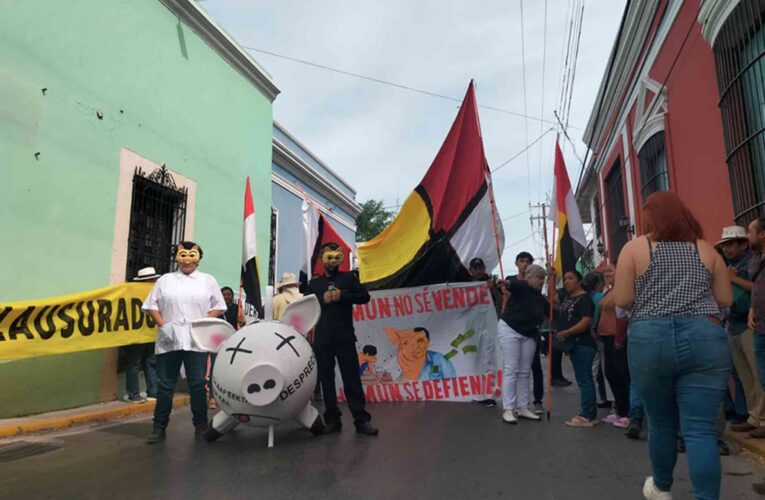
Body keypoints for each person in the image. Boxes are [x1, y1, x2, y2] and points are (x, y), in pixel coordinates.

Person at [614, 192, 732, 500]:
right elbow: (725, 300)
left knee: (661, 422)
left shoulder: (635, 249)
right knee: (700, 429)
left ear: (650, 217)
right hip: (704, 337)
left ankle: (662, 488)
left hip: (650, 339)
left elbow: (624, 300)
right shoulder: (705, 250)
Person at [142, 241, 227, 444]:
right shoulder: (165, 280)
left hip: (196, 341)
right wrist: (163, 325)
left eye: (192, 256)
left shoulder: (208, 281)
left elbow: (220, 305)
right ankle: (159, 427)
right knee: (165, 386)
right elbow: (151, 305)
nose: (187, 261)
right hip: (169, 341)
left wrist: (204, 321)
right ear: (178, 257)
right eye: (183, 256)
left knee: (197, 384)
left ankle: (200, 426)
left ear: (198, 259)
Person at [306, 242, 378, 436]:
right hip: (323, 338)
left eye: (336, 256)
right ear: (321, 258)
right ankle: (332, 420)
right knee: (327, 379)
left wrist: (343, 297)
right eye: (328, 257)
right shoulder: (314, 284)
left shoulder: (349, 278)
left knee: (351, 377)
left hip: (345, 336)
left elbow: (364, 296)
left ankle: (361, 419)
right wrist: (323, 299)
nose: (332, 261)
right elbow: (305, 306)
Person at [715, 226, 765, 439]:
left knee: (757, 375)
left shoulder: (752, 263)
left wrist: (733, 278)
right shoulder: (729, 266)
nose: (727, 249)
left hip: (748, 325)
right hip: (732, 324)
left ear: (743, 244)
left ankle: (761, 418)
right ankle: (754, 417)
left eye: (731, 244)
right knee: (745, 376)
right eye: (724, 245)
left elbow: (756, 288)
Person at [496, 265, 548, 424]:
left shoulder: (540, 297)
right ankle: (508, 409)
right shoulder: (522, 286)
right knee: (512, 369)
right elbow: (513, 285)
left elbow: (551, 309)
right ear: (530, 277)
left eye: (543, 279)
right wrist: (505, 284)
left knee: (525, 371)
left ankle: (523, 406)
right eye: (539, 278)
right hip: (510, 329)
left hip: (530, 334)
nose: (541, 282)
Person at [555, 271, 598, 427]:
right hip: (573, 345)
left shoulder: (585, 299)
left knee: (585, 380)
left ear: (579, 281)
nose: (567, 282)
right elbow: (552, 298)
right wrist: (553, 279)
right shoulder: (567, 298)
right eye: (565, 279)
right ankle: (589, 413)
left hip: (582, 344)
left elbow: (586, 321)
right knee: (583, 380)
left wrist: (567, 332)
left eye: (571, 278)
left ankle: (587, 415)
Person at [595, 263, 631, 428]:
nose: (606, 273)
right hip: (606, 338)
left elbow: (624, 316)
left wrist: (620, 338)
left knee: (623, 375)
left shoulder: (624, 289)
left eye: (610, 270)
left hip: (618, 338)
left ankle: (630, 413)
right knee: (610, 374)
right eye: (605, 271)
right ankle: (620, 411)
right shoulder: (609, 291)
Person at [469, 257, 502, 408]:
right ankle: (477, 393)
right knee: (474, 360)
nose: (478, 271)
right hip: (472, 328)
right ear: (471, 270)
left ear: (484, 269)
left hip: (488, 327)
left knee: (489, 359)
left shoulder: (492, 283)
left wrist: (492, 288)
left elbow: (501, 300)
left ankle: (490, 395)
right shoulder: (465, 285)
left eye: (480, 268)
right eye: (475, 268)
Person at [124, 267, 160, 403]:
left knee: (135, 363)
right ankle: (153, 392)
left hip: (139, 333)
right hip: (150, 332)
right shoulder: (157, 291)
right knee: (150, 362)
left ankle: (134, 394)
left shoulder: (131, 291)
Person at [583, 271, 611, 410]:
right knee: (605, 369)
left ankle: (599, 397)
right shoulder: (601, 297)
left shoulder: (586, 297)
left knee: (593, 370)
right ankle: (609, 399)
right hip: (599, 335)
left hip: (588, 336)